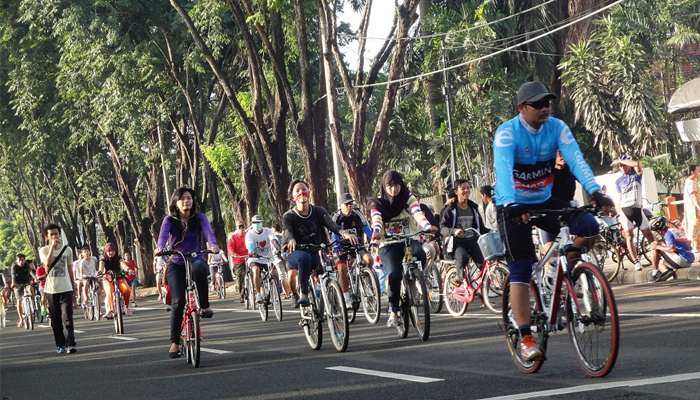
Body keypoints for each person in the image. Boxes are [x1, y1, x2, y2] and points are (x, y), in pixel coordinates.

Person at [493, 81, 614, 362]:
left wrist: (595, 191)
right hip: (512, 204)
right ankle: (525, 337)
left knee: (589, 228)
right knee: (521, 267)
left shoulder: (557, 127)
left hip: (544, 200)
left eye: (547, 103)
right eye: (538, 104)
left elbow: (576, 159)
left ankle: (553, 276)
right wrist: (512, 204)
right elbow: (503, 172)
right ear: (521, 108)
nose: (545, 109)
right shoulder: (507, 133)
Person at [154, 186, 219, 359]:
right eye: (183, 198)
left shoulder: (199, 218)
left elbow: (208, 233)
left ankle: (204, 305)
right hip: (176, 262)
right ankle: (174, 342)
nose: (187, 201)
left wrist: (213, 245)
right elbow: (162, 236)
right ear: (176, 203)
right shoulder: (169, 220)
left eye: (189, 197)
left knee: (200, 267)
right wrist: (160, 247)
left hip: (195, 258)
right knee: (178, 302)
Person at [368, 170, 438, 328]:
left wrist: (427, 226)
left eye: (397, 185)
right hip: (388, 244)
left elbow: (417, 213)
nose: (394, 189)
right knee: (394, 273)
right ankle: (394, 310)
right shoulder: (377, 204)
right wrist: (377, 232)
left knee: (420, 253)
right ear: (384, 187)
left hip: (409, 239)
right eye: (390, 186)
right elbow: (377, 221)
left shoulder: (408, 198)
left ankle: (415, 278)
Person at [282, 179, 358, 308]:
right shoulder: (288, 216)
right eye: (297, 190)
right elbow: (287, 230)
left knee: (325, 270)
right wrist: (291, 239)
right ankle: (302, 295)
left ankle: (329, 299)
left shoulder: (319, 211)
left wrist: (345, 233)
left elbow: (332, 225)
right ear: (292, 197)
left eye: (304, 189)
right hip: (296, 253)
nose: (302, 192)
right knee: (304, 258)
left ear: (309, 193)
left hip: (316, 250)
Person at [440, 179, 489, 287]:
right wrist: (454, 231)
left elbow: (480, 227)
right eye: (463, 188)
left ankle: (484, 295)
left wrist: (491, 231)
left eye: (468, 188)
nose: (466, 190)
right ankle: (458, 277)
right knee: (463, 257)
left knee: (484, 265)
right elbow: (442, 228)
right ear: (456, 191)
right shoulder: (451, 209)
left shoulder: (473, 208)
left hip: (473, 241)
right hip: (458, 243)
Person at [613, 154, 658, 271]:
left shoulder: (637, 174)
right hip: (625, 210)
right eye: (620, 166)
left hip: (638, 208)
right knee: (629, 236)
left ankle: (656, 264)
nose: (622, 167)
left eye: (624, 165)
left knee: (649, 235)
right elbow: (619, 199)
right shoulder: (618, 181)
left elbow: (637, 164)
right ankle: (636, 261)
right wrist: (618, 215)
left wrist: (620, 160)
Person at [38, 224, 77, 354]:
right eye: (52, 234)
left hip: (66, 288)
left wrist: (73, 287)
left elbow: (70, 269)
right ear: (47, 237)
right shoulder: (43, 250)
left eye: (56, 234)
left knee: (67, 318)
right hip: (51, 290)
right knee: (56, 320)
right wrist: (51, 249)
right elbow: (47, 264)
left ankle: (70, 344)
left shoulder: (67, 250)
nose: (55, 236)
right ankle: (60, 345)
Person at [331, 193, 374, 306]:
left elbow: (367, 229)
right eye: (346, 204)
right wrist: (336, 246)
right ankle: (346, 298)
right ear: (341, 205)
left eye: (351, 203)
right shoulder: (336, 217)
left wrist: (374, 240)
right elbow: (334, 232)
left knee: (369, 260)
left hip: (356, 244)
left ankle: (365, 281)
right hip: (342, 246)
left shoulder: (357, 214)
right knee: (342, 268)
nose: (349, 206)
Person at [245, 215, 282, 304]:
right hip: (255, 258)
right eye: (254, 223)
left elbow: (273, 240)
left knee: (275, 274)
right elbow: (250, 245)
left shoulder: (268, 231)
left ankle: (274, 291)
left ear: (262, 223)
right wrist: (253, 252)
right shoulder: (249, 234)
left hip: (268, 258)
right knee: (256, 270)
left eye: (259, 222)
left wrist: (279, 249)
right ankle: (258, 293)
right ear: (252, 224)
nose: (257, 224)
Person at [99, 243, 132, 319]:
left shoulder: (119, 258)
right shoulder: (103, 259)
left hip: (118, 277)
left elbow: (123, 264)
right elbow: (101, 266)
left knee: (126, 290)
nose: (111, 253)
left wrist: (128, 269)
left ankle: (126, 307)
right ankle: (110, 310)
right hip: (108, 279)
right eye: (109, 251)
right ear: (106, 252)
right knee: (110, 291)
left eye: (113, 251)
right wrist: (100, 272)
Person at [11, 254, 36, 327]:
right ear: (16, 260)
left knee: (31, 289)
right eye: (19, 260)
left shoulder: (26, 265)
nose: (21, 261)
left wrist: (35, 278)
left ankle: (32, 304)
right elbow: (13, 274)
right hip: (17, 284)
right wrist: (13, 282)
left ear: (24, 260)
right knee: (19, 300)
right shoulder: (14, 266)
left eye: (22, 260)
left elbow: (30, 272)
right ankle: (21, 319)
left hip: (26, 282)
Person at [227, 222, 248, 303]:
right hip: (238, 260)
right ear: (236, 228)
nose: (241, 228)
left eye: (242, 226)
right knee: (239, 276)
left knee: (256, 271)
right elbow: (230, 247)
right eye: (239, 227)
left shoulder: (248, 235)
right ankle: (241, 295)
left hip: (249, 257)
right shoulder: (233, 238)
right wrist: (233, 254)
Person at [683, 165, 700, 251]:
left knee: (694, 226)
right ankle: (695, 246)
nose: (699, 173)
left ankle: (695, 245)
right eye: (697, 171)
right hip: (694, 208)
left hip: (691, 208)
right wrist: (698, 207)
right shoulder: (691, 182)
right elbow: (694, 196)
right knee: (695, 226)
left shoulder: (690, 181)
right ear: (692, 172)